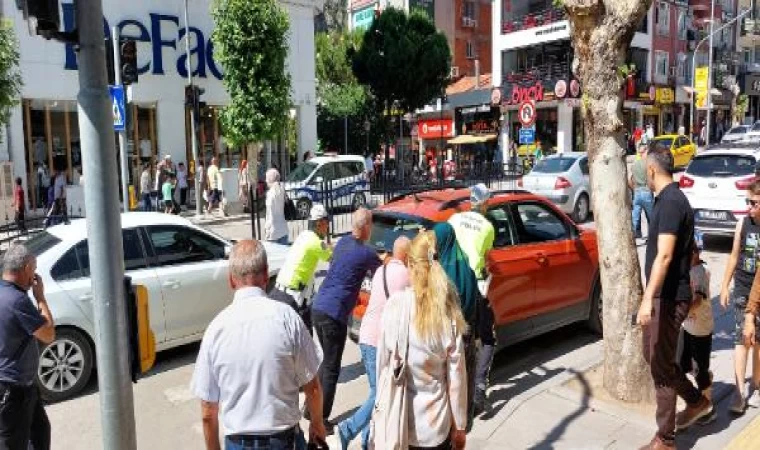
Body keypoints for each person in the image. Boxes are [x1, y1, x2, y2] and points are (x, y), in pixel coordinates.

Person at [191, 240, 327, 450]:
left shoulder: (215, 330)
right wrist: (317, 424)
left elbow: (208, 411)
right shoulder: (287, 318)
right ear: (265, 275)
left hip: (239, 443)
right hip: (285, 441)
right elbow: (314, 388)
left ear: (231, 280)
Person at [636, 142, 711, 449]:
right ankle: (696, 401)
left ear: (652, 169)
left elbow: (665, 257)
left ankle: (665, 439)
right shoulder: (669, 199)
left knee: (660, 368)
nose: (642, 174)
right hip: (663, 296)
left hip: (667, 298)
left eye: (643, 168)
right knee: (655, 358)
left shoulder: (669, 203)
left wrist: (646, 299)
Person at [375, 231, 467, 450]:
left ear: (410, 265)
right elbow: (457, 379)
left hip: (401, 420)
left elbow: (383, 363)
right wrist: (460, 426)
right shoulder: (448, 314)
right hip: (436, 425)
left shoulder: (395, 306)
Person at [332, 236, 411, 450]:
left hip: (366, 336)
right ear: (406, 255)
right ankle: (347, 430)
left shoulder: (380, 271)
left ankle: (368, 440)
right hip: (381, 341)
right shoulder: (406, 275)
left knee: (377, 393)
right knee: (380, 394)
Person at [310, 208, 381, 423]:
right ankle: (321, 419)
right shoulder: (367, 253)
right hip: (334, 314)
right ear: (367, 227)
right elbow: (383, 270)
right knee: (332, 368)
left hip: (318, 307)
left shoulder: (341, 243)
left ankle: (310, 409)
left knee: (326, 362)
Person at [0, 243, 56, 450]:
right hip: (13, 390)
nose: (34, 276)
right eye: (33, 269)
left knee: (40, 432)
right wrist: (40, 297)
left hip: (24, 386)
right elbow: (48, 334)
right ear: (25, 270)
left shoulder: (4, 293)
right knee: (15, 443)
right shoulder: (17, 301)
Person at [448, 183, 497, 414]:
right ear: (485, 204)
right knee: (487, 338)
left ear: (470, 201)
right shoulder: (488, 227)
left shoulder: (455, 220)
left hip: (450, 285)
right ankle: (477, 391)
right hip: (475, 288)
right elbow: (486, 257)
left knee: (454, 338)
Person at [719, 179, 760, 413]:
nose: (749, 207)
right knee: (741, 340)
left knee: (758, 342)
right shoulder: (742, 224)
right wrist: (724, 285)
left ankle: (756, 384)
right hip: (743, 289)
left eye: (754, 203)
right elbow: (734, 256)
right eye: (747, 202)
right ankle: (738, 392)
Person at [270, 204, 333, 332]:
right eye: (326, 222)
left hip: (280, 292)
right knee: (303, 342)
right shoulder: (316, 242)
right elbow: (334, 258)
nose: (328, 227)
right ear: (319, 223)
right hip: (291, 298)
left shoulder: (304, 235)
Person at [680, 239, 715, 424]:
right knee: (685, 364)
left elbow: (698, 301)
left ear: (695, 253)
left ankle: (708, 406)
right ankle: (704, 383)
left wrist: (680, 312)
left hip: (701, 329)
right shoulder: (687, 270)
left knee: (699, 369)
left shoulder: (700, 272)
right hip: (689, 327)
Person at [629, 142, 654, 240]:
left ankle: (634, 236)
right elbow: (651, 180)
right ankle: (651, 237)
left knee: (635, 217)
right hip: (647, 192)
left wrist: (634, 189)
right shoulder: (648, 164)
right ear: (645, 151)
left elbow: (630, 180)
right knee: (651, 217)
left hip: (637, 193)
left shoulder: (634, 164)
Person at [264, 168, 288, 245]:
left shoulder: (270, 193)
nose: (265, 180)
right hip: (284, 229)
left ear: (270, 179)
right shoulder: (282, 190)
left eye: (266, 178)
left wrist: (267, 230)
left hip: (273, 232)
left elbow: (270, 213)